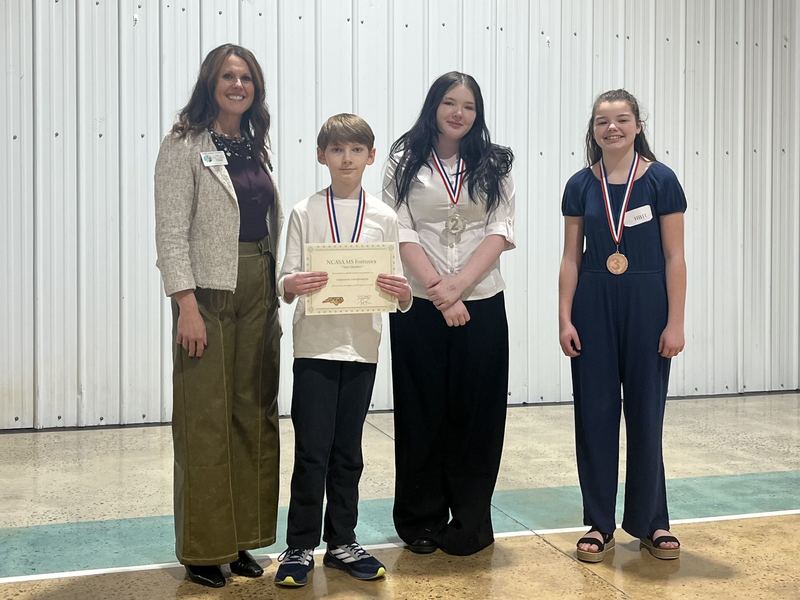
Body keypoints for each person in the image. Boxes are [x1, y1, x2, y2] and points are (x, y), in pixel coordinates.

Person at [154, 43, 283, 588]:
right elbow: (169, 230)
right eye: (228, 76)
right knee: (205, 420)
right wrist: (186, 303)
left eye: (246, 77)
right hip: (207, 294)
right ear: (210, 83)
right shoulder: (184, 144)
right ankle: (204, 548)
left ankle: (242, 539)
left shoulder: (255, 146)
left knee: (254, 412)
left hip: (258, 285)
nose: (237, 85)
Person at [273, 114, 412, 587]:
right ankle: (298, 545)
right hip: (314, 345)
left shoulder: (385, 217)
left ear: (371, 157)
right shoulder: (304, 210)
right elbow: (284, 279)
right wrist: (293, 282)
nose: (346, 158)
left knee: (348, 451)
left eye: (356, 150)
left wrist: (405, 292)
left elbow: (397, 288)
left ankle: (342, 542)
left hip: (361, 347)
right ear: (321, 155)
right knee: (312, 449)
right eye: (337, 150)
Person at [383, 72, 515, 556]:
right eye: (449, 103)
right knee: (421, 413)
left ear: (477, 115)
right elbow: (399, 230)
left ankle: (471, 522)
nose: (458, 113)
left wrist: (459, 287)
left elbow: (500, 229)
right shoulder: (404, 160)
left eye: (469, 106)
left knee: (477, 415)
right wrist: (440, 292)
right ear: (433, 107)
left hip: (481, 300)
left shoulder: (494, 163)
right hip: (419, 305)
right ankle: (420, 521)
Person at [558, 89, 686, 562]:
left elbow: (675, 257)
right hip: (593, 303)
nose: (612, 127)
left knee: (646, 414)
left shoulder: (661, 180)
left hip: (648, 305)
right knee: (594, 415)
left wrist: (675, 321)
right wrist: (564, 316)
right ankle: (598, 522)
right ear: (592, 130)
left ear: (637, 124)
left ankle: (653, 522)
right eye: (602, 121)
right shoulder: (578, 184)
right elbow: (571, 258)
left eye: (622, 119)